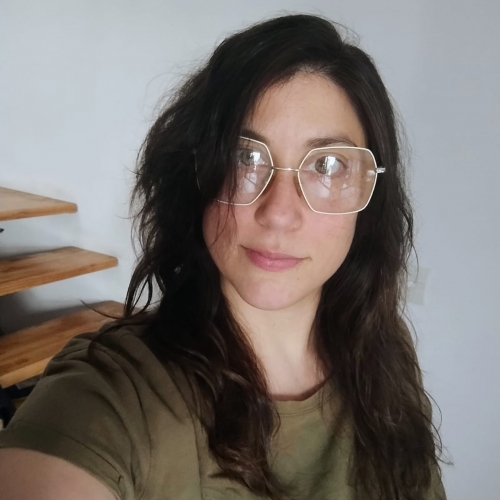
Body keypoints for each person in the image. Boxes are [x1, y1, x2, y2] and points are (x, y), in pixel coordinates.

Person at [0, 13, 448, 500]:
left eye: (328, 165)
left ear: (370, 195)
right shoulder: (115, 395)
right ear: (196, 173)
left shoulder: (384, 353)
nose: (278, 213)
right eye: (244, 157)